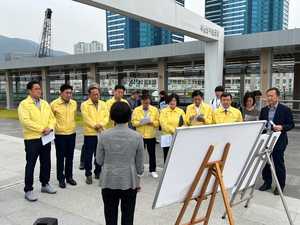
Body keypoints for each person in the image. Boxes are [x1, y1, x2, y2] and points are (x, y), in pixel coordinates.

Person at [96, 102, 144, 225]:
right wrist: (138, 175)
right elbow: (140, 167)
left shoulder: (103, 135)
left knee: (110, 215)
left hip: (108, 180)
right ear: (129, 116)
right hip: (129, 180)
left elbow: (99, 160)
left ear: (112, 116)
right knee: (128, 215)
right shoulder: (137, 136)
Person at [18, 81, 57, 202]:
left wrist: (50, 128)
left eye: (39, 89)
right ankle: (28, 190)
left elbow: (52, 118)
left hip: (46, 137)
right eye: (36, 89)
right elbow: (26, 121)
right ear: (29, 91)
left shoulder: (45, 103)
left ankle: (45, 184)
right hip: (32, 139)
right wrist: (42, 129)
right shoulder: (24, 104)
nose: (39, 91)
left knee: (46, 162)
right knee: (31, 164)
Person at [258, 87, 294, 195]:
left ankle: (280, 186)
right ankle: (267, 182)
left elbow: (291, 124)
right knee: (266, 163)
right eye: (268, 96)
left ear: (277, 96)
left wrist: (282, 127)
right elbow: (262, 124)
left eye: (271, 96)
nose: (269, 98)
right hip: (266, 140)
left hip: (279, 140)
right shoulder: (264, 110)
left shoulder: (285, 110)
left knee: (278, 163)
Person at [81, 84, 109, 184]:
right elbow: (86, 118)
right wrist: (94, 125)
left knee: (100, 154)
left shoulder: (103, 104)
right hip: (90, 133)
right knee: (88, 155)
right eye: (94, 94)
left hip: (101, 132)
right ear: (89, 95)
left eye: (98, 94)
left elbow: (106, 116)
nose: (96, 96)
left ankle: (98, 171)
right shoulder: (84, 105)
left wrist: (101, 124)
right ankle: (88, 174)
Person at [51, 84, 77, 188]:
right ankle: (61, 179)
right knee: (60, 158)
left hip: (71, 133)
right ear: (61, 93)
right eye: (67, 92)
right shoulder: (54, 104)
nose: (69, 95)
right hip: (60, 135)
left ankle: (69, 177)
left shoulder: (74, 103)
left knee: (70, 157)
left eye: (70, 93)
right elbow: (51, 119)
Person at [132, 94, 160, 178]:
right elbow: (133, 122)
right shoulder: (136, 110)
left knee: (152, 153)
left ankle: (153, 170)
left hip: (151, 135)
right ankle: (139, 170)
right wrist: (141, 122)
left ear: (149, 102)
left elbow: (158, 123)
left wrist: (152, 122)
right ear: (141, 102)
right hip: (140, 135)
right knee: (139, 154)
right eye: (144, 103)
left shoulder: (154, 110)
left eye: (147, 103)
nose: (146, 105)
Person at [159, 93, 186, 162]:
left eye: (174, 100)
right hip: (167, 137)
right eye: (171, 100)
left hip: (178, 137)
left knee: (177, 155)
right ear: (168, 101)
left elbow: (184, 123)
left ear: (177, 102)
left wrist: (181, 129)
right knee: (167, 156)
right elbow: (163, 124)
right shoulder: (163, 111)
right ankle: (167, 172)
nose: (172, 102)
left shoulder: (181, 111)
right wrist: (175, 131)